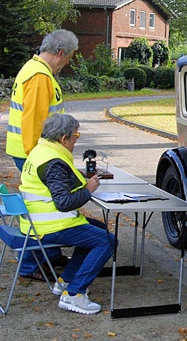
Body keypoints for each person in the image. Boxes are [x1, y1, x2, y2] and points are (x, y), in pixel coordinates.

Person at [19, 114, 115, 315]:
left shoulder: (41, 150)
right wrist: (87, 190)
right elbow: (63, 202)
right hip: (51, 225)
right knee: (107, 240)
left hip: (37, 221)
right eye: (76, 136)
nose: (77, 140)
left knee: (98, 230)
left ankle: (66, 281)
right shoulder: (54, 162)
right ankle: (74, 294)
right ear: (64, 138)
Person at [6, 29, 78, 280]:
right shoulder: (39, 77)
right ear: (60, 53)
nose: (67, 63)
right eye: (68, 58)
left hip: (32, 153)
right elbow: (35, 123)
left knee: (42, 205)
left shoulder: (35, 70)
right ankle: (31, 264)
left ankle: (51, 256)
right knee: (40, 207)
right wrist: (40, 159)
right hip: (35, 154)